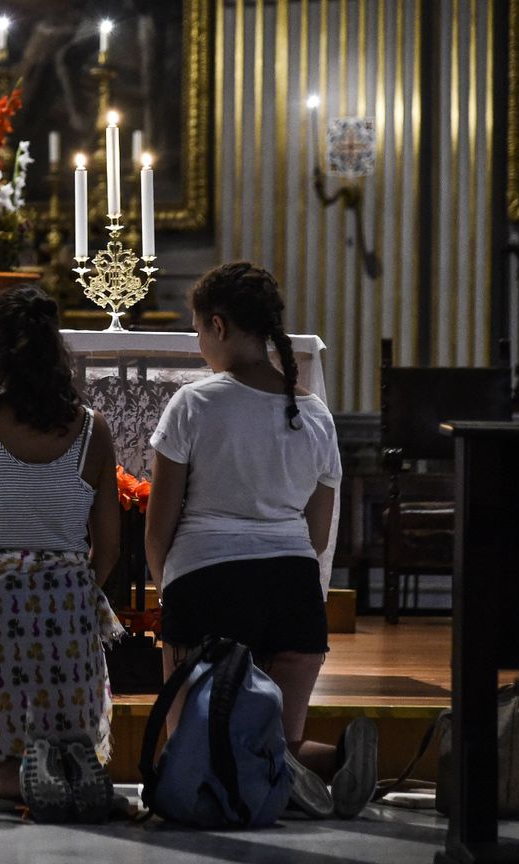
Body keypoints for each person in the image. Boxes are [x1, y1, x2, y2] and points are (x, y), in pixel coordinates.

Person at [143, 261, 377, 820]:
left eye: (198, 330)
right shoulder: (315, 415)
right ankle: (338, 757)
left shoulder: (195, 404)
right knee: (281, 741)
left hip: (208, 582)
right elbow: (319, 534)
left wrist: (166, 589)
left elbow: (159, 525)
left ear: (219, 326)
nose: (200, 344)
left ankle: (245, 788)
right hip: (292, 589)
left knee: (192, 747)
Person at [0, 284, 124, 821]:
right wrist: (75, 588)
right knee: (66, 731)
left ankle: (14, 781)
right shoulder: (92, 430)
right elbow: (108, 543)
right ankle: (69, 770)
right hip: (65, 593)